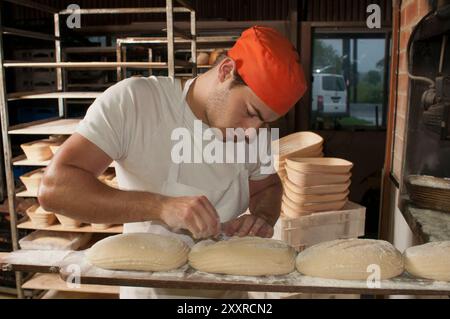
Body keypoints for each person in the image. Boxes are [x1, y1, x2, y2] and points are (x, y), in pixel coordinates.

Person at [38, 25, 307, 298]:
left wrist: (261, 217)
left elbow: (268, 187)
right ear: (226, 71)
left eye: (263, 122)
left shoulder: (252, 132)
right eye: (250, 112)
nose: (252, 131)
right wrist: (160, 206)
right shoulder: (136, 103)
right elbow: (55, 189)